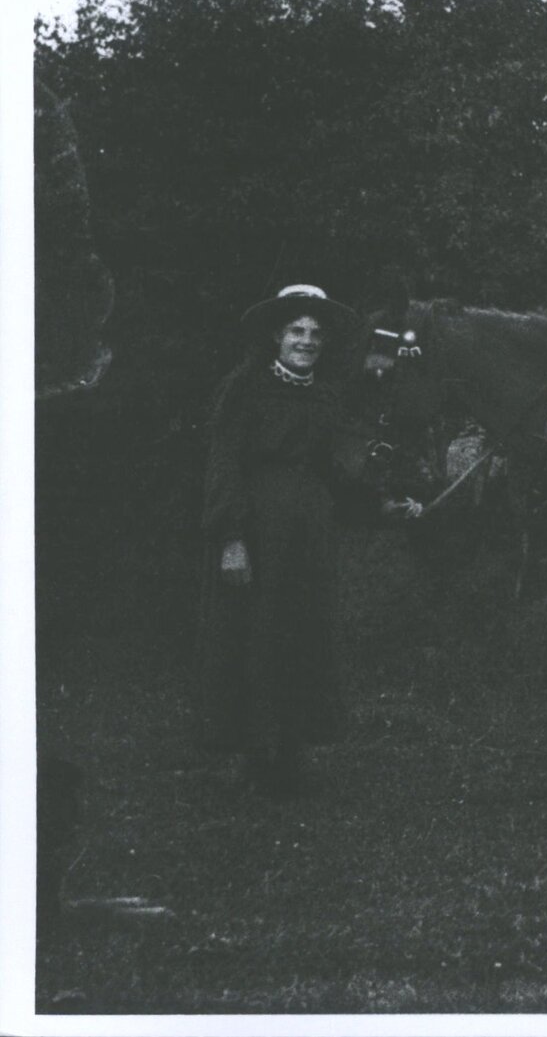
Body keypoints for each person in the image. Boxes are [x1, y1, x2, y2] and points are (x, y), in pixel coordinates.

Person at [201, 284, 424, 797]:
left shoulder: (325, 396)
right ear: (277, 335)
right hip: (257, 530)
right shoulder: (245, 388)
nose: (306, 341)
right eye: (297, 331)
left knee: (301, 635)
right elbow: (224, 466)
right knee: (255, 634)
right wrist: (231, 538)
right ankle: (255, 757)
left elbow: (332, 474)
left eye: (316, 334)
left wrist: (380, 506)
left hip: (309, 534)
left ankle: (292, 755)